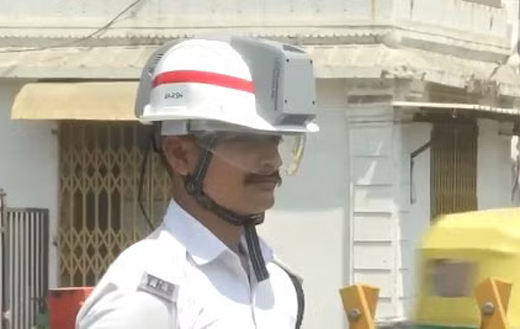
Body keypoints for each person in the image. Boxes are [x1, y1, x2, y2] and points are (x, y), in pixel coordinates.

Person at [76, 35, 319, 329]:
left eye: (275, 141)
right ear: (180, 155)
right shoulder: (146, 296)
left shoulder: (277, 281)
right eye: (247, 142)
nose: (272, 161)